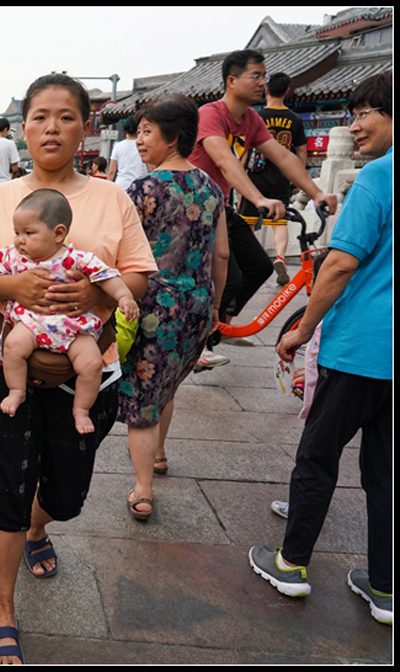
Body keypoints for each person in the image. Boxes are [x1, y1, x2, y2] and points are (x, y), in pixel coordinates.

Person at [0, 73, 156, 664]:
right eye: (39, 116)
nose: (51, 127)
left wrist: (89, 302)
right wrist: (17, 284)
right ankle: (1, 608)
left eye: (66, 116)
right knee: (6, 486)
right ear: (23, 128)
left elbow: (137, 274)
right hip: (3, 361)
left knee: (65, 494)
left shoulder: (112, 197)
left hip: (88, 370)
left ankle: (42, 526)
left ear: (86, 125)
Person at [249, 72, 393, 626]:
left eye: (365, 114)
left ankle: (291, 564)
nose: (352, 126)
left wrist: (301, 329)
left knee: (317, 457)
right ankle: (385, 588)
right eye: (352, 113)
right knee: (385, 472)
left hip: (361, 348)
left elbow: (339, 262)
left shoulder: (378, 178)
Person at [187, 49, 337, 368]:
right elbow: (225, 162)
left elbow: (283, 156)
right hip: (191, 208)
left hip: (219, 208)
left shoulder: (252, 119)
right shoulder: (211, 114)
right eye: (255, 76)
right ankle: (195, 343)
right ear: (231, 80)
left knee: (259, 267)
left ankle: (218, 329)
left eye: (263, 76)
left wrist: (317, 192)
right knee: (227, 279)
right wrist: (259, 199)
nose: (262, 83)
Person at [0, 189, 139, 431]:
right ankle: (17, 391)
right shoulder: (15, 256)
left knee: (91, 364)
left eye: (28, 233)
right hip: (31, 325)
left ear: (58, 233)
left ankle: (81, 409)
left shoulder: (77, 258)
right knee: (13, 347)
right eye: (16, 233)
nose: (19, 240)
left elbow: (108, 277)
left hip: (73, 327)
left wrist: (124, 296)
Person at [119, 96, 229, 520]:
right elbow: (221, 253)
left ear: (174, 137)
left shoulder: (144, 189)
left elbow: (122, 253)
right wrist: (216, 306)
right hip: (198, 302)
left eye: (148, 132)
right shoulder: (210, 187)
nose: (140, 140)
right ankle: (159, 455)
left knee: (143, 396)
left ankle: (143, 490)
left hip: (154, 305)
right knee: (169, 383)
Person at [237, 72, 308, 285]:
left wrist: (237, 176)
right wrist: (297, 179)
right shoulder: (295, 119)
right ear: (287, 91)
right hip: (281, 177)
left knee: (248, 221)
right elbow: (302, 151)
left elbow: (244, 150)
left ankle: (246, 261)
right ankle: (280, 258)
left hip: (254, 177)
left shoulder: (255, 117)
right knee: (280, 222)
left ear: (266, 90)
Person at [107, 117, 148, 191]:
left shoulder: (118, 146)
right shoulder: (144, 146)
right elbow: (150, 168)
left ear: (125, 130)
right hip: (139, 185)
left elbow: (111, 171)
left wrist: (108, 186)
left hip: (121, 185)